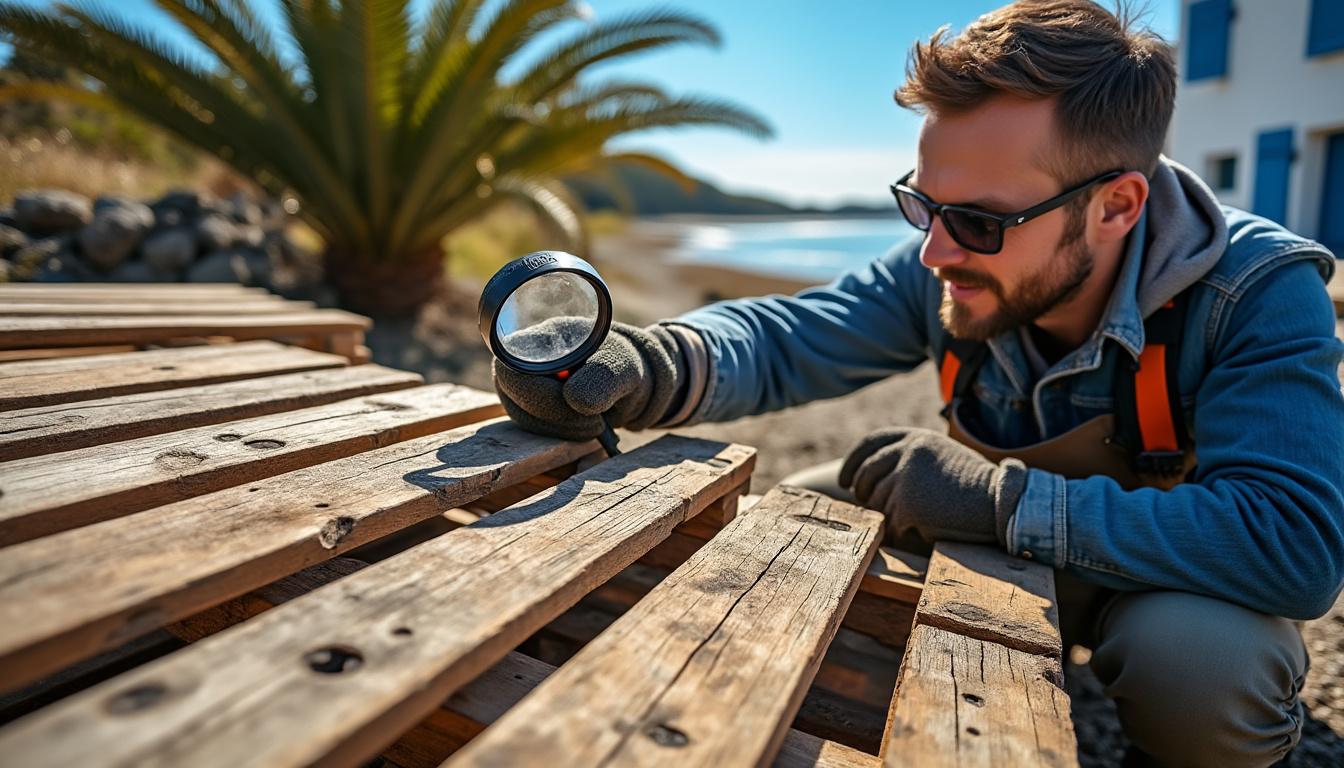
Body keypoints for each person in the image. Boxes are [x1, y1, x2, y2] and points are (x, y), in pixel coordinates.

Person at [491, 1, 1344, 764]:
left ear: (1117, 206)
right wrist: (650, 365)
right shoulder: (954, 256)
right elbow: (793, 337)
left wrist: (1001, 502)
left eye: (977, 219)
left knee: (1202, 673)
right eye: (921, 204)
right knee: (795, 519)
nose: (936, 251)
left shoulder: (1259, 291)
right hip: (995, 551)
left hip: (1158, 585)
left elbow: (1295, 545)